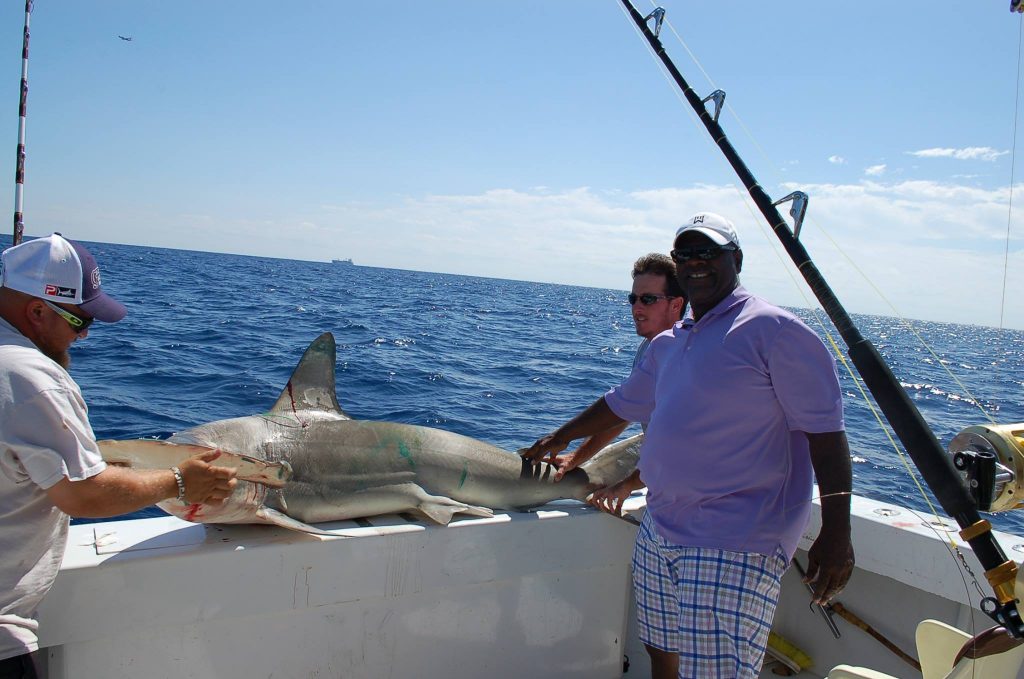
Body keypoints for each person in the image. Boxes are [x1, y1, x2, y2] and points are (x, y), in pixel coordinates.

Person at [522, 212, 854, 679]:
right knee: (662, 655)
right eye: (685, 254)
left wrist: (837, 531)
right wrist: (559, 438)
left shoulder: (776, 331)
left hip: (735, 538)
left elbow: (826, 434)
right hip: (661, 527)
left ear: (735, 259)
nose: (695, 262)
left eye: (708, 252)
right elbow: (619, 405)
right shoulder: (669, 345)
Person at [0, 234, 238, 679]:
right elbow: (85, 496)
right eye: (79, 319)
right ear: (36, 311)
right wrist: (181, 481)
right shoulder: (28, 375)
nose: (86, 333)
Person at [568, 253, 685, 517]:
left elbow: (680, 444)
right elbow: (625, 413)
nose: (636, 307)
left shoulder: (682, 356)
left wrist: (627, 485)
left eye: (648, 299)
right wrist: (576, 457)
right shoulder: (650, 347)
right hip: (666, 493)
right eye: (633, 298)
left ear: (676, 305)